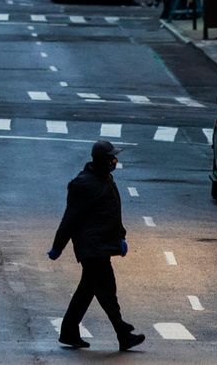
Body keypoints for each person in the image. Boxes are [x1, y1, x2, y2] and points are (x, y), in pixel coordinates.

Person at [48, 141, 145, 352]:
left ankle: (69, 332)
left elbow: (112, 213)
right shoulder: (83, 184)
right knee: (106, 290)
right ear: (101, 160)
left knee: (88, 290)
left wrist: (120, 237)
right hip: (91, 248)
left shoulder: (105, 180)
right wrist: (58, 247)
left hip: (102, 246)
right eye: (111, 158)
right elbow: (70, 219)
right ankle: (122, 333)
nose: (115, 161)